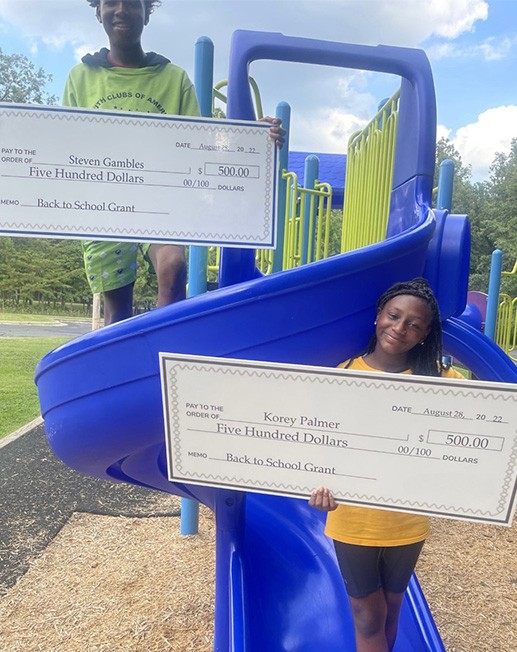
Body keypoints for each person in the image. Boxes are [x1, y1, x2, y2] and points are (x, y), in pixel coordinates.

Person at [64, 0, 284, 325]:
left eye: (133, 4)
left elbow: (201, 146)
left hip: (161, 208)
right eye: (111, 2)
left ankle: (163, 352)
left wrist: (252, 139)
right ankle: (124, 371)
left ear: (147, 13)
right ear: (98, 11)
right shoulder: (81, 77)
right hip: (106, 210)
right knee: (117, 309)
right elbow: (63, 145)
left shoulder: (172, 77)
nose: (122, 10)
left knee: (172, 265)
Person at [309, 277, 464, 652]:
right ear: (379, 316)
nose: (400, 328)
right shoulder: (342, 374)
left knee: (392, 610)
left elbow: (477, 435)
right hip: (351, 518)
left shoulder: (443, 382)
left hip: (406, 521)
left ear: (426, 334)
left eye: (414, 324)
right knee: (367, 615)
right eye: (394, 316)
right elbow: (317, 443)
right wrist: (316, 485)